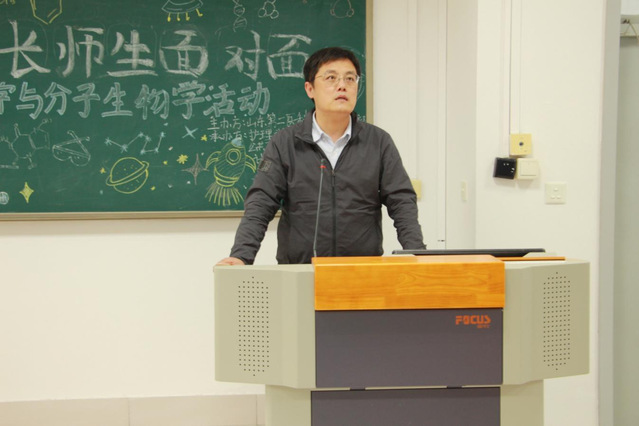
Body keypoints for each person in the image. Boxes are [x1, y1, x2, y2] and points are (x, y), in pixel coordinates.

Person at [217, 47, 424, 266]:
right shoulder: (285, 143)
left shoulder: (378, 142)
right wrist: (241, 255)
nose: (342, 85)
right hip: (300, 271)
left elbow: (401, 201)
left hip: (361, 271)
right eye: (331, 78)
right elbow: (261, 202)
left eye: (350, 78)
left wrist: (417, 252)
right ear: (310, 89)